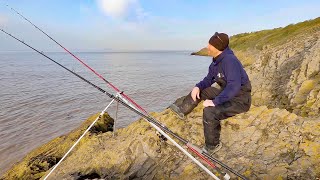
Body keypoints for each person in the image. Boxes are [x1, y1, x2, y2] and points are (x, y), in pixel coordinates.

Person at [169, 32, 252, 154]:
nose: (207, 47)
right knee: (202, 91)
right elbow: (209, 79)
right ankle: (182, 109)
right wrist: (198, 86)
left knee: (210, 111)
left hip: (240, 100)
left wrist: (215, 102)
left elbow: (234, 87)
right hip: (226, 94)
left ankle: (213, 145)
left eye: (210, 45)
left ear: (217, 48)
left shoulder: (230, 61)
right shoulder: (216, 61)